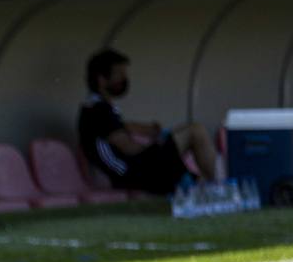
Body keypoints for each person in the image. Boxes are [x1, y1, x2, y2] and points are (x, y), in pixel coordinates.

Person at [79, 48, 218, 195]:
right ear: (102, 79)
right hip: (132, 174)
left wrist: (151, 133)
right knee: (195, 131)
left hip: (135, 170)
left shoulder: (99, 108)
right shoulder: (97, 111)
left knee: (186, 167)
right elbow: (128, 148)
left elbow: (123, 127)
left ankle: (209, 188)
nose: (124, 78)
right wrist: (159, 144)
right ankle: (218, 188)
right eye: (119, 74)